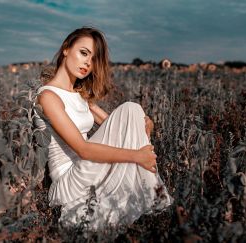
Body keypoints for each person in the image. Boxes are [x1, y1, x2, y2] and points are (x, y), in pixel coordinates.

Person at [33, 26, 172, 230]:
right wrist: (136, 156)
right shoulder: (48, 96)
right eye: (83, 53)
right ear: (65, 49)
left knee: (134, 113)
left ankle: (148, 194)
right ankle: (152, 196)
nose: (88, 63)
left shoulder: (80, 96)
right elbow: (83, 149)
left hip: (87, 168)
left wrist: (143, 126)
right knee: (131, 109)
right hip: (69, 181)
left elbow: (119, 127)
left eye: (94, 59)